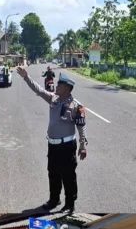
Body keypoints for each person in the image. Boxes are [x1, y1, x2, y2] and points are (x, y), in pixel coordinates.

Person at [16, 67, 88, 213]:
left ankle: (70, 203)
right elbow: (38, 90)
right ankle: (54, 200)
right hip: (53, 145)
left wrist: (82, 146)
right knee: (53, 173)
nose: (56, 86)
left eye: (60, 85)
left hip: (67, 146)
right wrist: (26, 77)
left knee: (68, 175)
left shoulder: (76, 106)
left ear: (67, 88)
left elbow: (81, 127)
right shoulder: (53, 98)